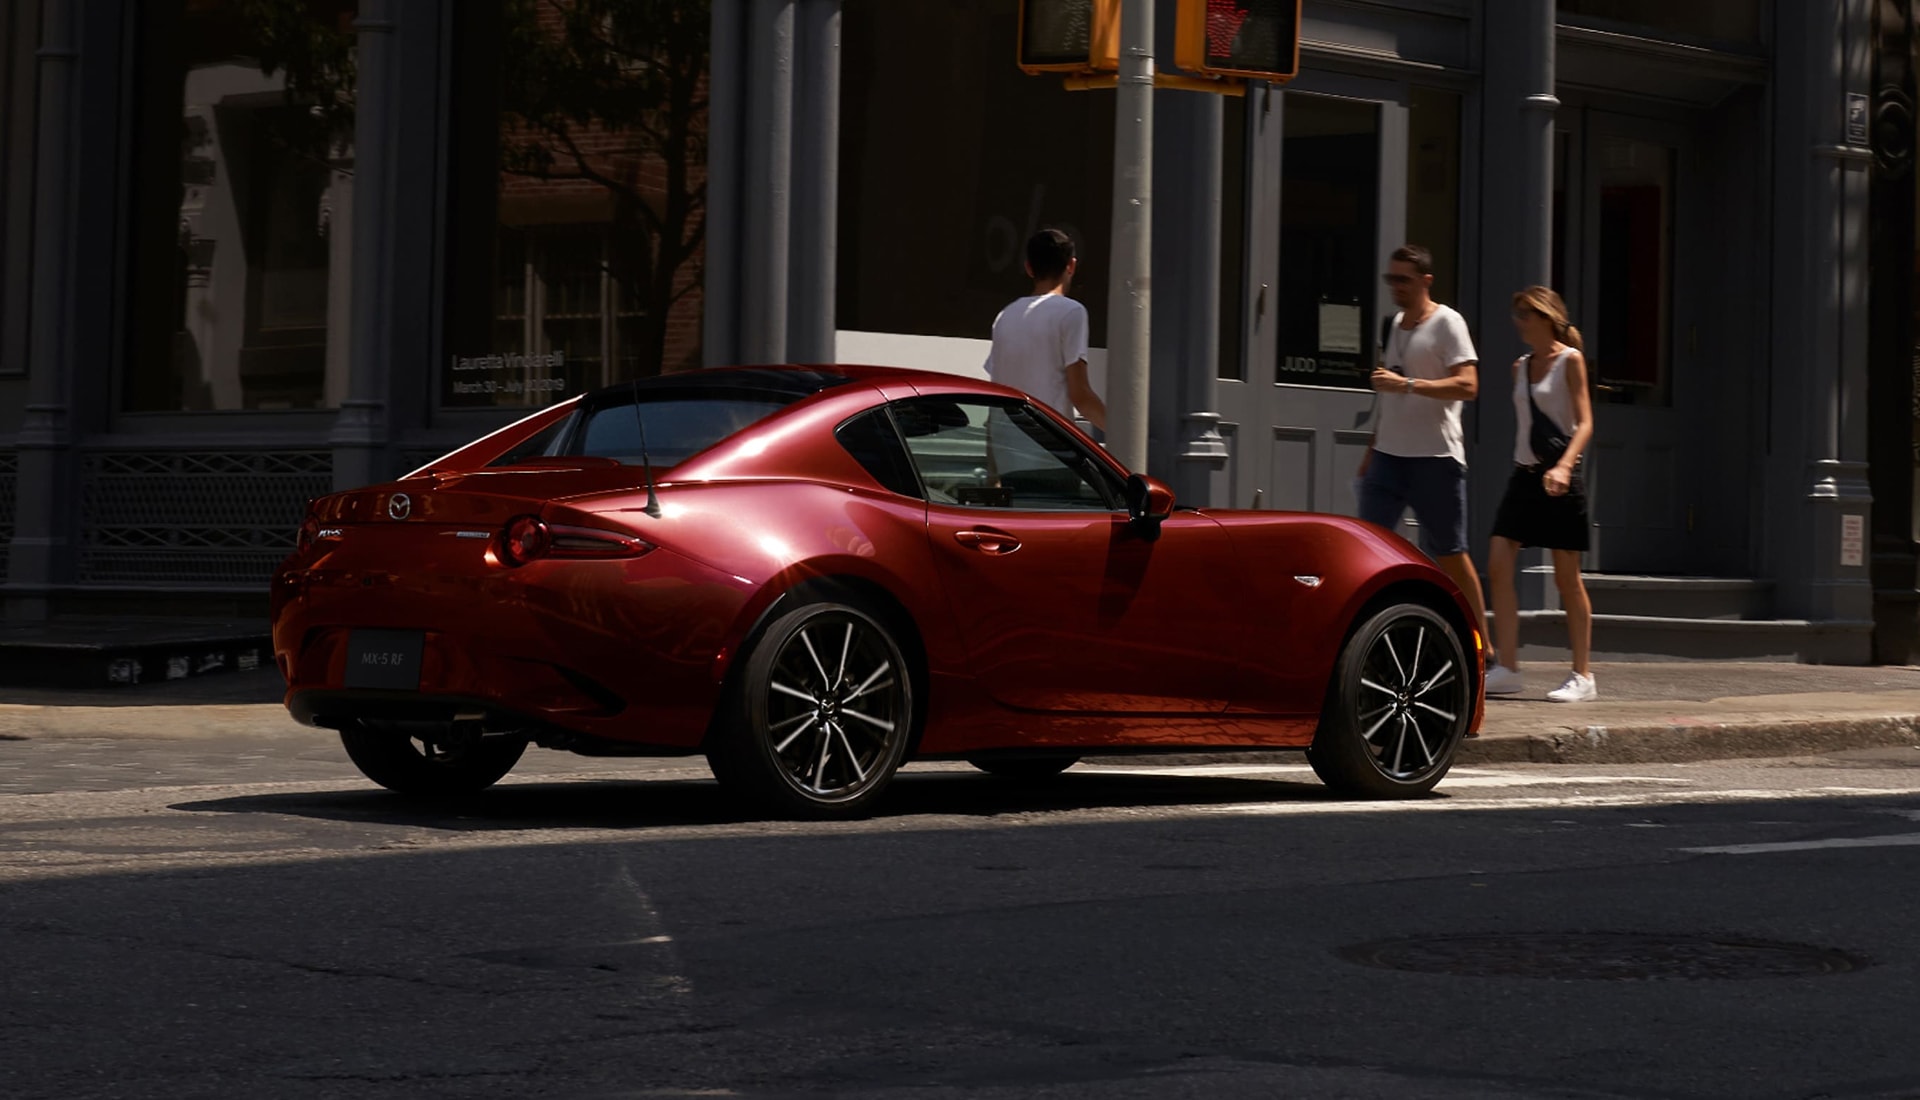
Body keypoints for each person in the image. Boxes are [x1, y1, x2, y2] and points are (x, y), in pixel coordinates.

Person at [1358, 244, 1491, 659]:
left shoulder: (1449, 323)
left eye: (1404, 279)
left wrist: (1411, 385)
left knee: (1450, 552)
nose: (1395, 287)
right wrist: (1373, 445)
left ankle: (1481, 644)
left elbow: (1469, 385)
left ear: (1425, 281)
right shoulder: (1392, 324)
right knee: (1370, 547)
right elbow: (1390, 393)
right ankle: (1368, 638)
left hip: (1436, 459)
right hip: (1388, 457)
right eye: (1391, 279)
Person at [1484, 287, 1597, 703]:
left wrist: (1566, 465)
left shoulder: (1570, 360)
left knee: (1568, 578)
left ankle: (1583, 675)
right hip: (1524, 476)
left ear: (1547, 318)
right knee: (1498, 562)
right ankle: (1509, 667)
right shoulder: (1519, 367)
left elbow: (1585, 423)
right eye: (1516, 314)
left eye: (1525, 314)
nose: (1518, 321)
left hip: (1560, 476)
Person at [983, 229, 1107, 434]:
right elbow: (1080, 396)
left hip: (1007, 445)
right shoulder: (1071, 312)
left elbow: (997, 393)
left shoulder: (1005, 316)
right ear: (1071, 266)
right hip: (1051, 446)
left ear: (1029, 268)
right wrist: (1121, 434)